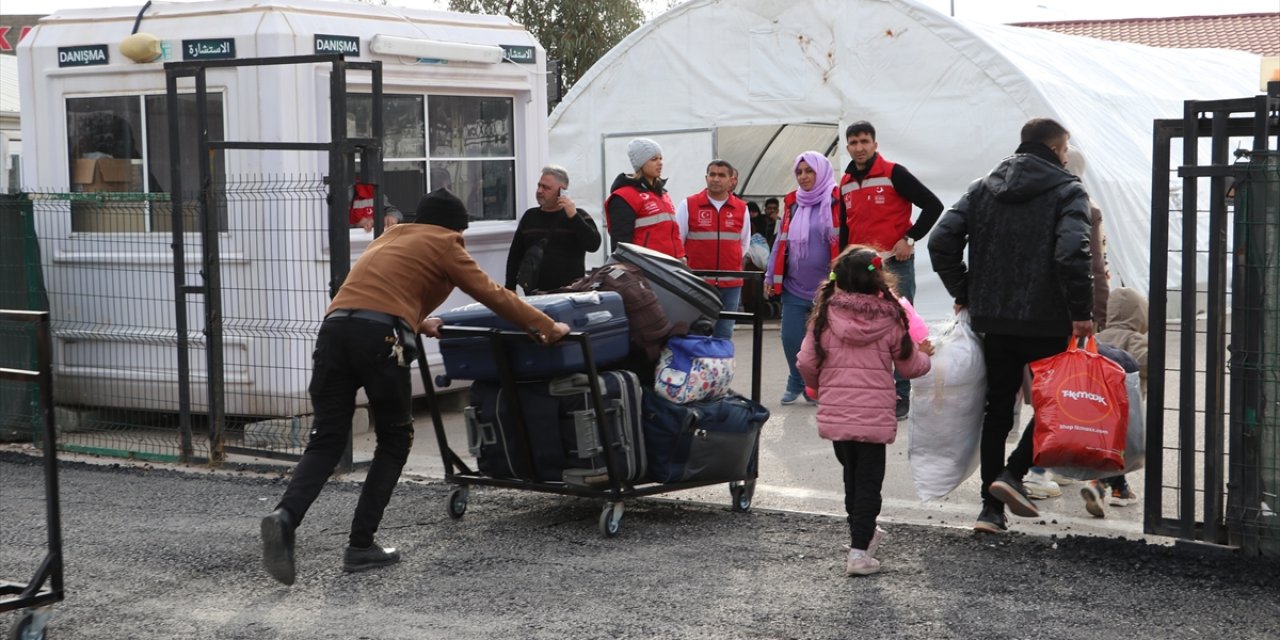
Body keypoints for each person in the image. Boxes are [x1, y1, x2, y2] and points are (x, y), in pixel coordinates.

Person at [260, 188, 571, 586]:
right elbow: (492, 294)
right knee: (395, 437)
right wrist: (547, 326)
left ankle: (285, 517)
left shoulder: (390, 237)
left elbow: (386, 289)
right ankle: (360, 546)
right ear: (455, 227)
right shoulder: (444, 242)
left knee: (326, 439)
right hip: (379, 340)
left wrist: (418, 320)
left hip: (335, 330)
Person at [927, 117, 1095, 534]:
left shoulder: (983, 186)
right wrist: (1081, 311)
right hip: (1048, 318)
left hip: (994, 320)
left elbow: (940, 240)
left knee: (997, 410)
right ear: (1057, 149)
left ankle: (990, 509)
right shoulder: (1067, 189)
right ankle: (1014, 472)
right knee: (1054, 404)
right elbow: (1073, 251)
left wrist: (966, 290)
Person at [796, 246, 934, 576]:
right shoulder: (889, 316)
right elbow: (910, 366)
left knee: (852, 479)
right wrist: (925, 354)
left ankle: (864, 536)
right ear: (879, 279)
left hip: (837, 414)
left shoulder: (826, 315)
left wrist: (820, 385)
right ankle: (859, 553)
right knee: (869, 484)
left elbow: (805, 362)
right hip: (873, 417)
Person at [838, 121, 944, 420]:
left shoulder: (894, 172)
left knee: (900, 325)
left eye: (864, 141)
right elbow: (845, 228)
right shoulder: (844, 182)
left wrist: (909, 238)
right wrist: (839, 268)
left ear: (874, 144)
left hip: (894, 265)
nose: (859, 147)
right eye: (854, 142)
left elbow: (932, 205)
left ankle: (901, 393)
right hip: (860, 269)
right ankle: (872, 389)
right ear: (847, 146)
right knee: (864, 328)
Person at [1023, 145, 1112, 499]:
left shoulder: (1036, 204)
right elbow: (1093, 268)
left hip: (1033, 311)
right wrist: (1094, 314)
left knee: (1044, 391)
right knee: (1060, 393)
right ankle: (1036, 469)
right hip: (1068, 314)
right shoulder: (1084, 208)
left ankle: (1050, 464)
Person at [764, 151, 842, 405]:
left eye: (809, 170)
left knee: (827, 342)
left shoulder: (836, 200)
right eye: (799, 171)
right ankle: (796, 380)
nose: (804, 176)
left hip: (829, 288)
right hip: (795, 286)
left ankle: (818, 385)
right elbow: (781, 241)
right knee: (790, 338)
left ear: (821, 171)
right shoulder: (792, 203)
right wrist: (770, 275)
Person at [1080, 287, 1149, 515]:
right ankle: (1100, 486)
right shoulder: (1134, 338)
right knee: (1121, 451)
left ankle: (1118, 489)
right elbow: (1144, 360)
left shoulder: (1098, 337)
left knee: (1106, 450)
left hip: (1096, 407)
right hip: (1126, 410)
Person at [676, 159, 751, 339]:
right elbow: (678, 241)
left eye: (721, 175)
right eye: (712, 174)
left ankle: (720, 368)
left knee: (724, 335)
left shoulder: (741, 208)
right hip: (698, 284)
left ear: (731, 180)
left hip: (731, 284)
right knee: (696, 334)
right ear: (706, 177)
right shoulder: (688, 205)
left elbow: (744, 244)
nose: (716, 179)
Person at [504, 165, 602, 294]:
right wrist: (510, 287)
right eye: (539, 185)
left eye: (546, 187)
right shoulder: (530, 216)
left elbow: (593, 244)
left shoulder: (578, 216)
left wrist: (574, 217)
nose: (539, 191)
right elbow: (515, 255)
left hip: (569, 294)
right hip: (535, 293)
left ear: (562, 191)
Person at [605, 138, 682, 258]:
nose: (660, 162)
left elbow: (672, 233)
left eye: (660, 158)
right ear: (641, 163)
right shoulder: (624, 197)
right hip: (645, 269)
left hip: (670, 267)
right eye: (654, 159)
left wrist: (682, 256)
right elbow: (621, 243)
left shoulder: (662, 194)